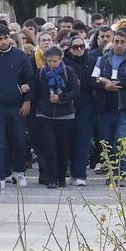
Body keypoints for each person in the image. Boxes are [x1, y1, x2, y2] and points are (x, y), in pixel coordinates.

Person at [0, 23, 35, 185]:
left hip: (16, 105)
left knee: (19, 140)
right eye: (0, 39)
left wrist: (27, 101)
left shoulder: (20, 56)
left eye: (6, 38)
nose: (4, 42)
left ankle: (19, 172)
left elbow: (30, 79)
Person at [92, 30, 126, 178]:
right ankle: (111, 171)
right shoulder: (102, 59)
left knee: (121, 139)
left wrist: (110, 82)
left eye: (122, 42)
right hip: (106, 106)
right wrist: (105, 86)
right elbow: (93, 79)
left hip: (124, 107)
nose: (119, 45)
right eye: (116, 41)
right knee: (106, 140)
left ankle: (121, 171)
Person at [34, 45, 78, 188]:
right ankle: (51, 178)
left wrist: (61, 98)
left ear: (61, 59)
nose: (52, 64)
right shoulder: (41, 73)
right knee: (49, 148)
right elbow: (37, 92)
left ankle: (61, 177)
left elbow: (75, 91)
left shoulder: (68, 72)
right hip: (45, 115)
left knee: (63, 148)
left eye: (55, 61)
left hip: (65, 116)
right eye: (50, 61)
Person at [63, 36, 98, 186]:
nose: (78, 50)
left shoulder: (91, 61)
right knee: (69, 139)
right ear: (69, 49)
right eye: (75, 47)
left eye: (81, 47)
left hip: (86, 103)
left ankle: (80, 174)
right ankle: (70, 170)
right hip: (68, 104)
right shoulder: (64, 62)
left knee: (83, 139)